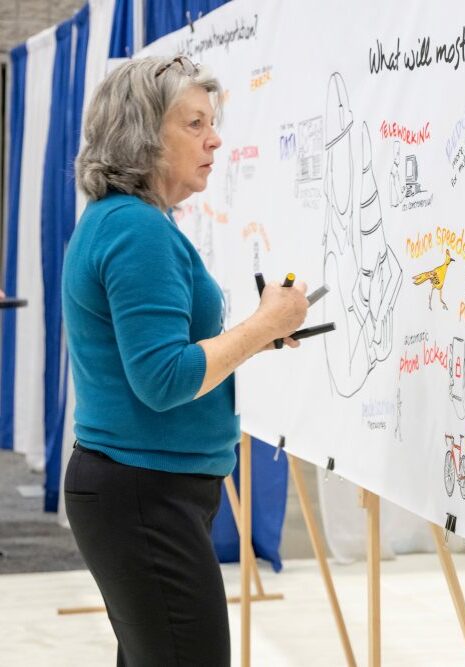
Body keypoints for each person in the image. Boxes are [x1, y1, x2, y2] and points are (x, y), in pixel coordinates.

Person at [61, 56, 308, 665]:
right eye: (194, 123)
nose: (215, 138)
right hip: (144, 495)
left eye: (212, 122)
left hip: (144, 490)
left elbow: (159, 359)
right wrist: (260, 326)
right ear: (142, 133)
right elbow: (164, 379)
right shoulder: (136, 230)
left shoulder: (128, 221)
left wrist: (258, 335)